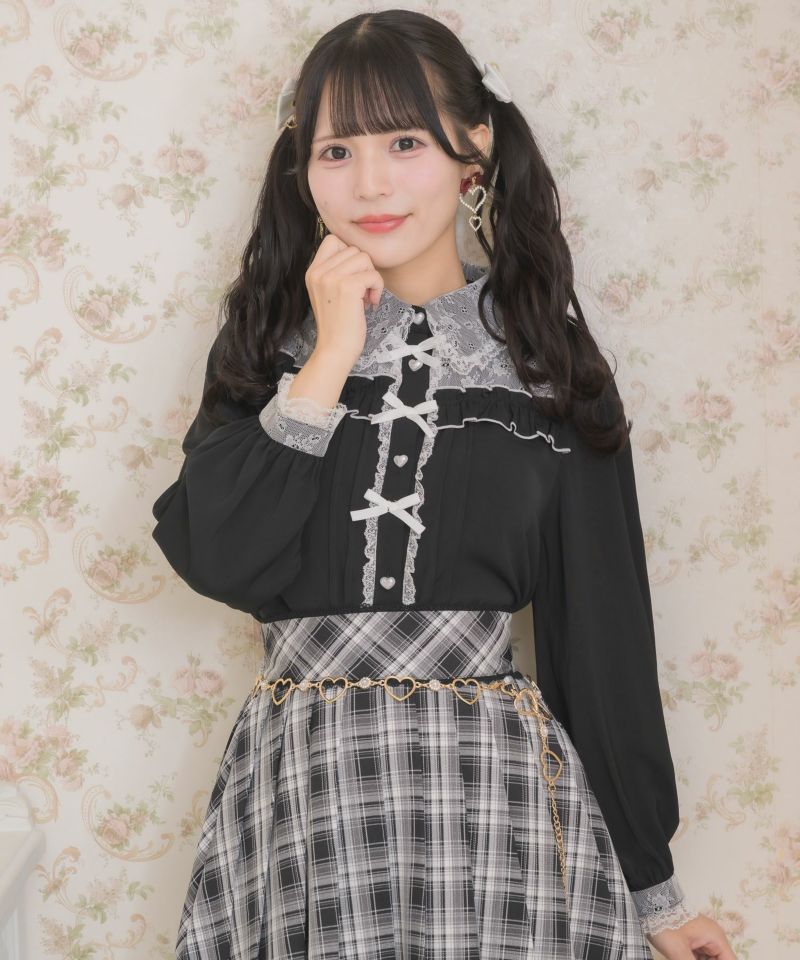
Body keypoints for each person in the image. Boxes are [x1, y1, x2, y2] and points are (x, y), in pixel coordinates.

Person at [151, 9, 738, 960]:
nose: (370, 183)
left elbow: (602, 642)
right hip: (303, 808)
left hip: (495, 808)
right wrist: (331, 354)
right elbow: (220, 556)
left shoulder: (547, 367)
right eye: (336, 151)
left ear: (474, 152)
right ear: (302, 170)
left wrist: (658, 898)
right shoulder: (269, 349)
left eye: (405, 142)